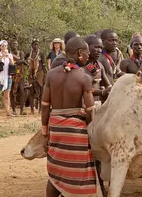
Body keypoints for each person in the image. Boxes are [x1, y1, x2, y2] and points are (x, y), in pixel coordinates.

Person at [42, 37, 98, 197]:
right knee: (78, 172)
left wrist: (45, 133)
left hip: (57, 129)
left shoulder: (51, 75)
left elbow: (45, 107)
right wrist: (90, 130)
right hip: (76, 134)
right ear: (80, 53)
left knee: (56, 172)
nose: (88, 55)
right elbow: (89, 110)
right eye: (87, 52)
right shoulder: (84, 78)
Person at [84, 35, 114, 103]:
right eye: (96, 47)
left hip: (98, 104)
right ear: (87, 47)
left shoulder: (99, 66)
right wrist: (102, 92)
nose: (99, 51)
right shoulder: (81, 67)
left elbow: (108, 86)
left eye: (101, 48)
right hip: (85, 106)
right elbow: (84, 90)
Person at [0, 40, 14, 117]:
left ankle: (8, 111)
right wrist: (2, 56)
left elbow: (12, 64)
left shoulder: (10, 55)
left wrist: (9, 58)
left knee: (7, 95)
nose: (4, 47)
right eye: (2, 46)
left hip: (8, 76)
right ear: (0, 46)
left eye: (5, 46)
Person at [10, 40, 28, 116]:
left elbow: (22, 60)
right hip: (12, 74)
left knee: (21, 91)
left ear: (18, 45)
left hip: (20, 74)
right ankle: (13, 110)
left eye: (16, 44)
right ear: (11, 46)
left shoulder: (21, 53)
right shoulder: (9, 54)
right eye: (13, 44)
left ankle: (22, 109)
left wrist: (15, 62)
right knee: (12, 92)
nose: (15, 45)